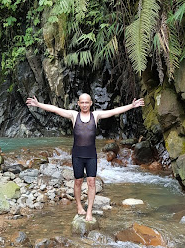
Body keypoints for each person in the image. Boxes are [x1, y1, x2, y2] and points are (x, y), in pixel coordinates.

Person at [26, 93, 144, 221]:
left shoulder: (96, 115)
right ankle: (79, 206)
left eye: (86, 102)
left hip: (91, 155)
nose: (84, 105)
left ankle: (89, 211)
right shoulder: (74, 115)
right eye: (82, 102)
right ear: (78, 103)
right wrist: (38, 105)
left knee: (91, 182)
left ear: (91, 103)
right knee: (77, 182)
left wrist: (132, 106)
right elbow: (55, 109)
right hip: (77, 155)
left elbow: (114, 111)